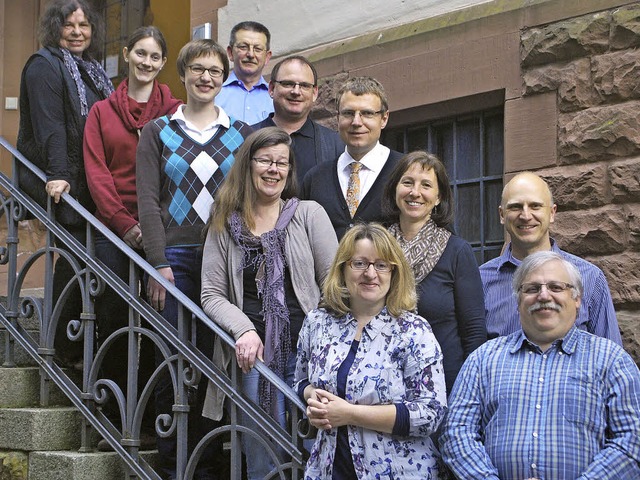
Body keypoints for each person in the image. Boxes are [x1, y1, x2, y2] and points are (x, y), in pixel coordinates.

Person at [136, 38, 252, 480]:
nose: (207, 77)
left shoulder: (240, 134)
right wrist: (157, 262)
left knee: (218, 357)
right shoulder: (158, 131)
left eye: (216, 71)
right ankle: (173, 461)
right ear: (182, 75)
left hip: (225, 255)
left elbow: (245, 198)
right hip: (176, 259)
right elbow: (148, 201)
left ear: (225, 79)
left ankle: (210, 459)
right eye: (198, 69)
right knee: (173, 359)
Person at [200, 127, 338, 480]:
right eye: (265, 160)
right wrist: (243, 328)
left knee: (316, 441)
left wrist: (321, 337)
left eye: (282, 163)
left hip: (310, 347)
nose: (274, 169)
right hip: (255, 354)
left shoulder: (308, 214)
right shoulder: (223, 222)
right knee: (263, 442)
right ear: (248, 165)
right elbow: (211, 294)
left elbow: (334, 284)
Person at [440, 251, 640, 479]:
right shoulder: (483, 359)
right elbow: (456, 433)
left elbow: (632, 438)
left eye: (556, 287)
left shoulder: (611, 360)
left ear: (577, 299)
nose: (544, 296)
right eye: (532, 289)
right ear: (518, 300)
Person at [83, 25, 182, 451]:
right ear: (127, 55)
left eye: (154, 57)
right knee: (116, 326)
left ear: (162, 64)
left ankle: (157, 425)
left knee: (162, 329)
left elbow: (180, 174)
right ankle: (114, 417)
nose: (146, 62)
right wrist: (127, 226)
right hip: (115, 232)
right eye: (140, 54)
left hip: (164, 230)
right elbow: (97, 175)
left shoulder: (176, 111)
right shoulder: (101, 112)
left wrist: (154, 228)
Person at [295, 223, 447, 479]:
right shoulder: (317, 322)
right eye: (360, 263)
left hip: (399, 471)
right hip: (328, 468)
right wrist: (314, 398)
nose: (370, 273)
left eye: (381, 265)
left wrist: (349, 414)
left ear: (394, 273)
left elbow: (431, 413)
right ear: (343, 269)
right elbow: (300, 380)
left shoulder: (413, 330)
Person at [17, 0, 114, 366]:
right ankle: (61, 345)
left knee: (85, 262)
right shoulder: (44, 65)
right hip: (65, 182)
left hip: (88, 182)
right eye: (69, 25)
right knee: (72, 262)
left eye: (84, 25)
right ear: (54, 28)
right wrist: (58, 175)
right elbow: (51, 127)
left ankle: (77, 344)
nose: (77, 32)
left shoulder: (90, 70)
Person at [382, 151, 486, 394]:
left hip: (444, 386)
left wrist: (468, 392)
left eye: (426, 185)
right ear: (395, 189)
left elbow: (474, 333)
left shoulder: (457, 251)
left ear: (438, 197)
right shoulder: (377, 248)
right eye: (407, 182)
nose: (415, 192)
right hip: (381, 383)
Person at [480, 171, 622, 344]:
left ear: (552, 213)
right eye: (516, 207)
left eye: (535, 206)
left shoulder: (590, 278)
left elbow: (611, 356)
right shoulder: (480, 280)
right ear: (502, 215)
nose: (525, 216)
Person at [301, 76, 402, 240]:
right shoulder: (316, 179)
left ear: (384, 119)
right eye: (348, 113)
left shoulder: (406, 171)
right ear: (338, 117)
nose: (356, 122)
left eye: (367, 113)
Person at [252, 55, 344, 183]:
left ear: (314, 93)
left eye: (305, 85)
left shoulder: (335, 145)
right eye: (288, 83)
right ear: (272, 89)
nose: (296, 91)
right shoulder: (246, 136)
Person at [216, 21, 273, 124]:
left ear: (267, 57)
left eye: (258, 49)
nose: (250, 54)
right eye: (243, 47)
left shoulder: (276, 98)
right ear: (230, 53)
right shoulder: (214, 94)